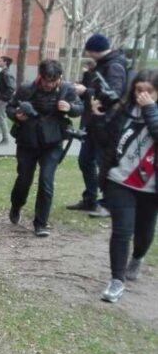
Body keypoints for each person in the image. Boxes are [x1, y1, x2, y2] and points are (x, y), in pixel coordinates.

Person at [88, 70, 158, 303]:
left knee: (144, 231)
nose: (143, 95)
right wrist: (97, 118)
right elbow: (106, 141)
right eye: (139, 90)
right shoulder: (124, 111)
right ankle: (117, 280)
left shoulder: (151, 111)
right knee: (122, 230)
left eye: (149, 91)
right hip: (120, 180)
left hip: (151, 188)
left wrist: (149, 110)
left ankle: (137, 257)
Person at [6, 59, 82, 236]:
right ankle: (16, 205)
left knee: (46, 181)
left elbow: (80, 108)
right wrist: (17, 116)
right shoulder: (26, 89)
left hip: (53, 142)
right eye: (46, 80)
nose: (49, 84)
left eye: (53, 80)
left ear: (59, 78)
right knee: (24, 179)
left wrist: (70, 107)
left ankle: (41, 223)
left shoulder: (66, 90)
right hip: (28, 141)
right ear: (40, 76)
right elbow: (10, 107)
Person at [68, 34, 129, 218]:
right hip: (93, 122)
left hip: (107, 124)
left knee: (105, 165)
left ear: (93, 50)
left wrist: (86, 91)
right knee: (85, 160)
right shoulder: (104, 65)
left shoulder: (114, 66)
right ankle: (91, 199)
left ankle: (108, 204)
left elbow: (113, 95)